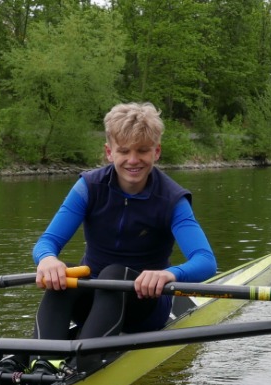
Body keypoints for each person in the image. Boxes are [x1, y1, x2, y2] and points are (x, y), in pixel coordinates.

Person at [32, 102, 217, 342]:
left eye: (142, 150)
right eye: (124, 151)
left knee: (114, 274)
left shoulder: (172, 199)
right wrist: (47, 259)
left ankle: (85, 357)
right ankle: (41, 357)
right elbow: (47, 242)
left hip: (144, 306)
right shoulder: (88, 187)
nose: (133, 160)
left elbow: (206, 261)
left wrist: (169, 275)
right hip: (92, 302)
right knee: (64, 274)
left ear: (156, 152)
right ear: (110, 152)